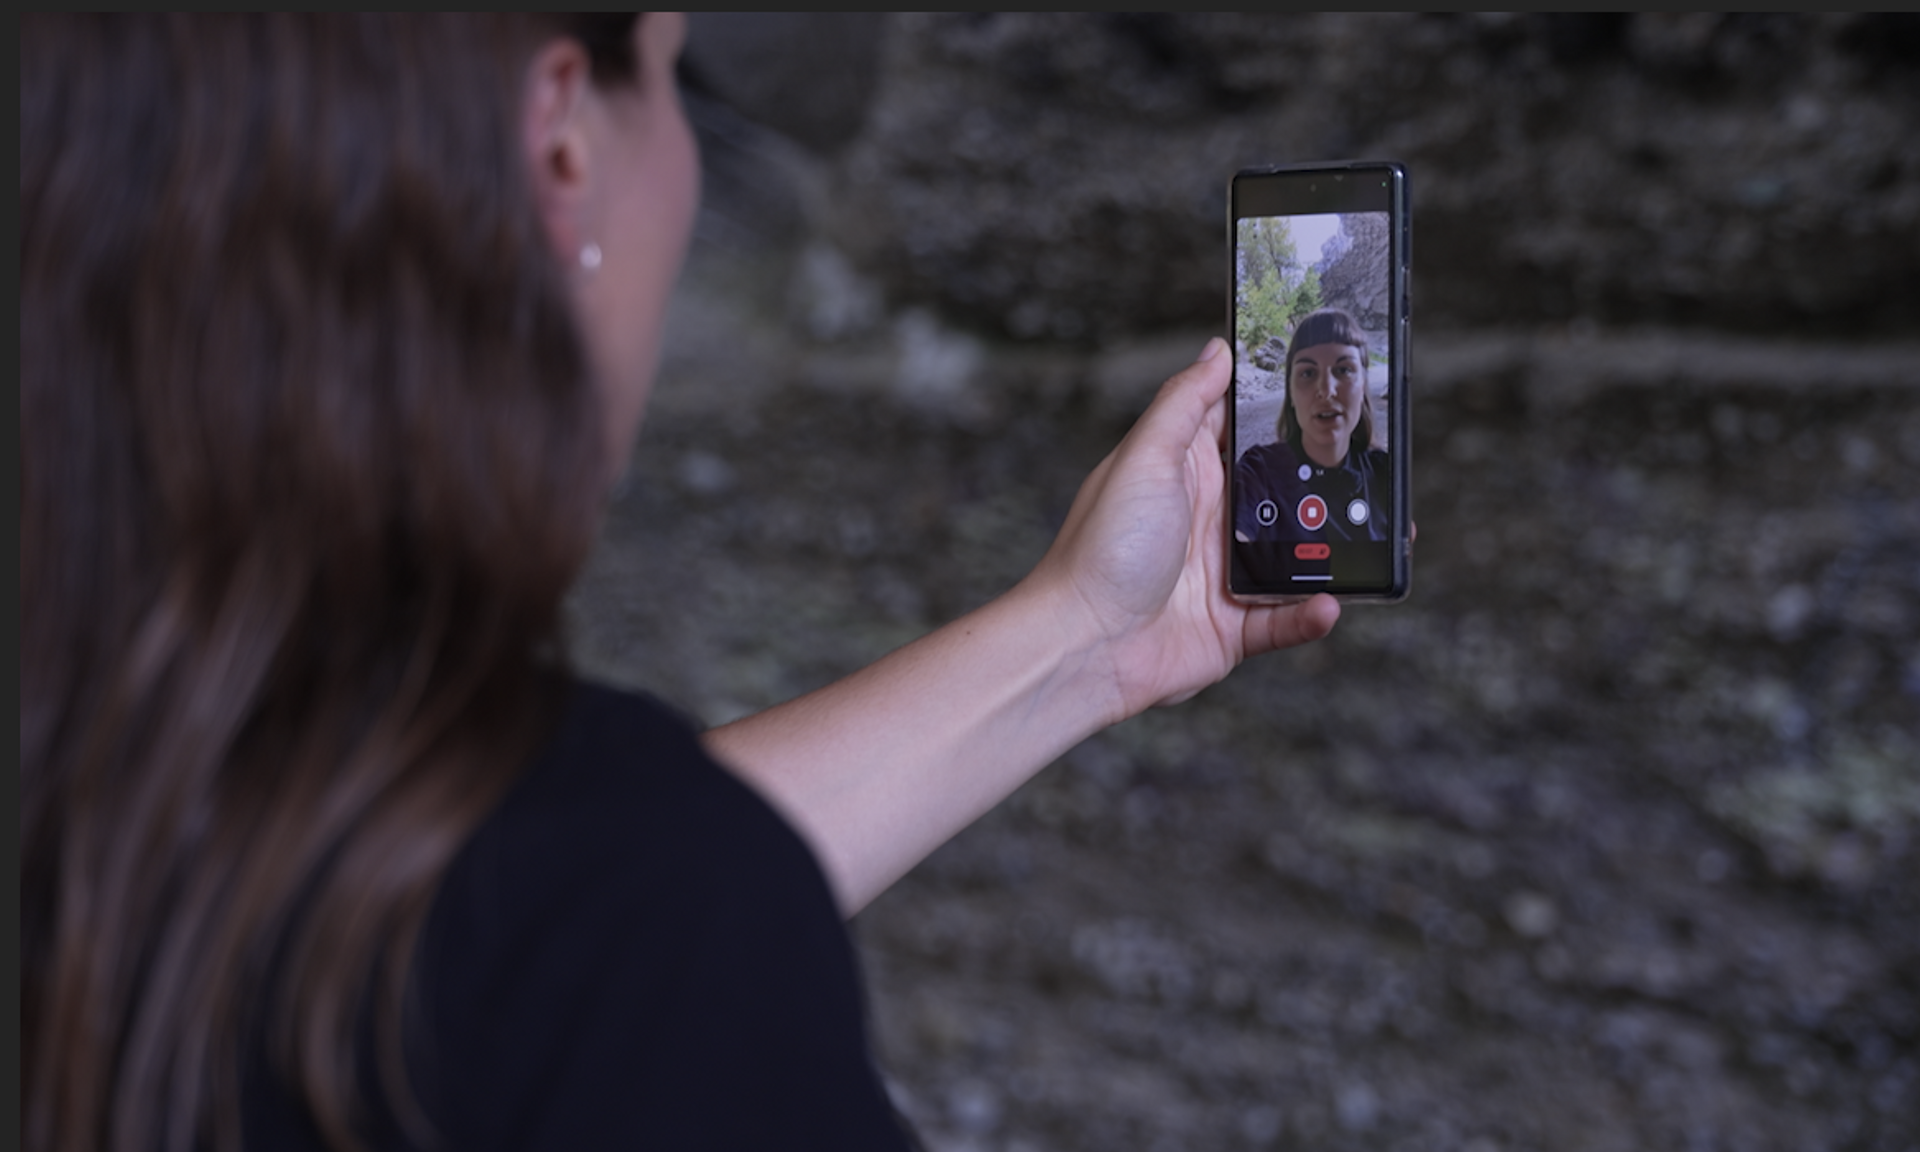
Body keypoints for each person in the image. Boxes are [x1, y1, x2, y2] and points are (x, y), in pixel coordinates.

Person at [21, 13, 1340, 1152]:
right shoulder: (628, 921)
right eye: (664, 67)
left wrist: (1086, 637)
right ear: (563, 149)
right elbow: (590, 927)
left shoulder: (105, 771)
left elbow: (504, 910)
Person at [1233, 308, 1393, 546]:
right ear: (1291, 392)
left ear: (1363, 386)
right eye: (1308, 373)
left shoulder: (1386, 473)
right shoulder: (1257, 472)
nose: (1326, 390)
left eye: (1344, 370)